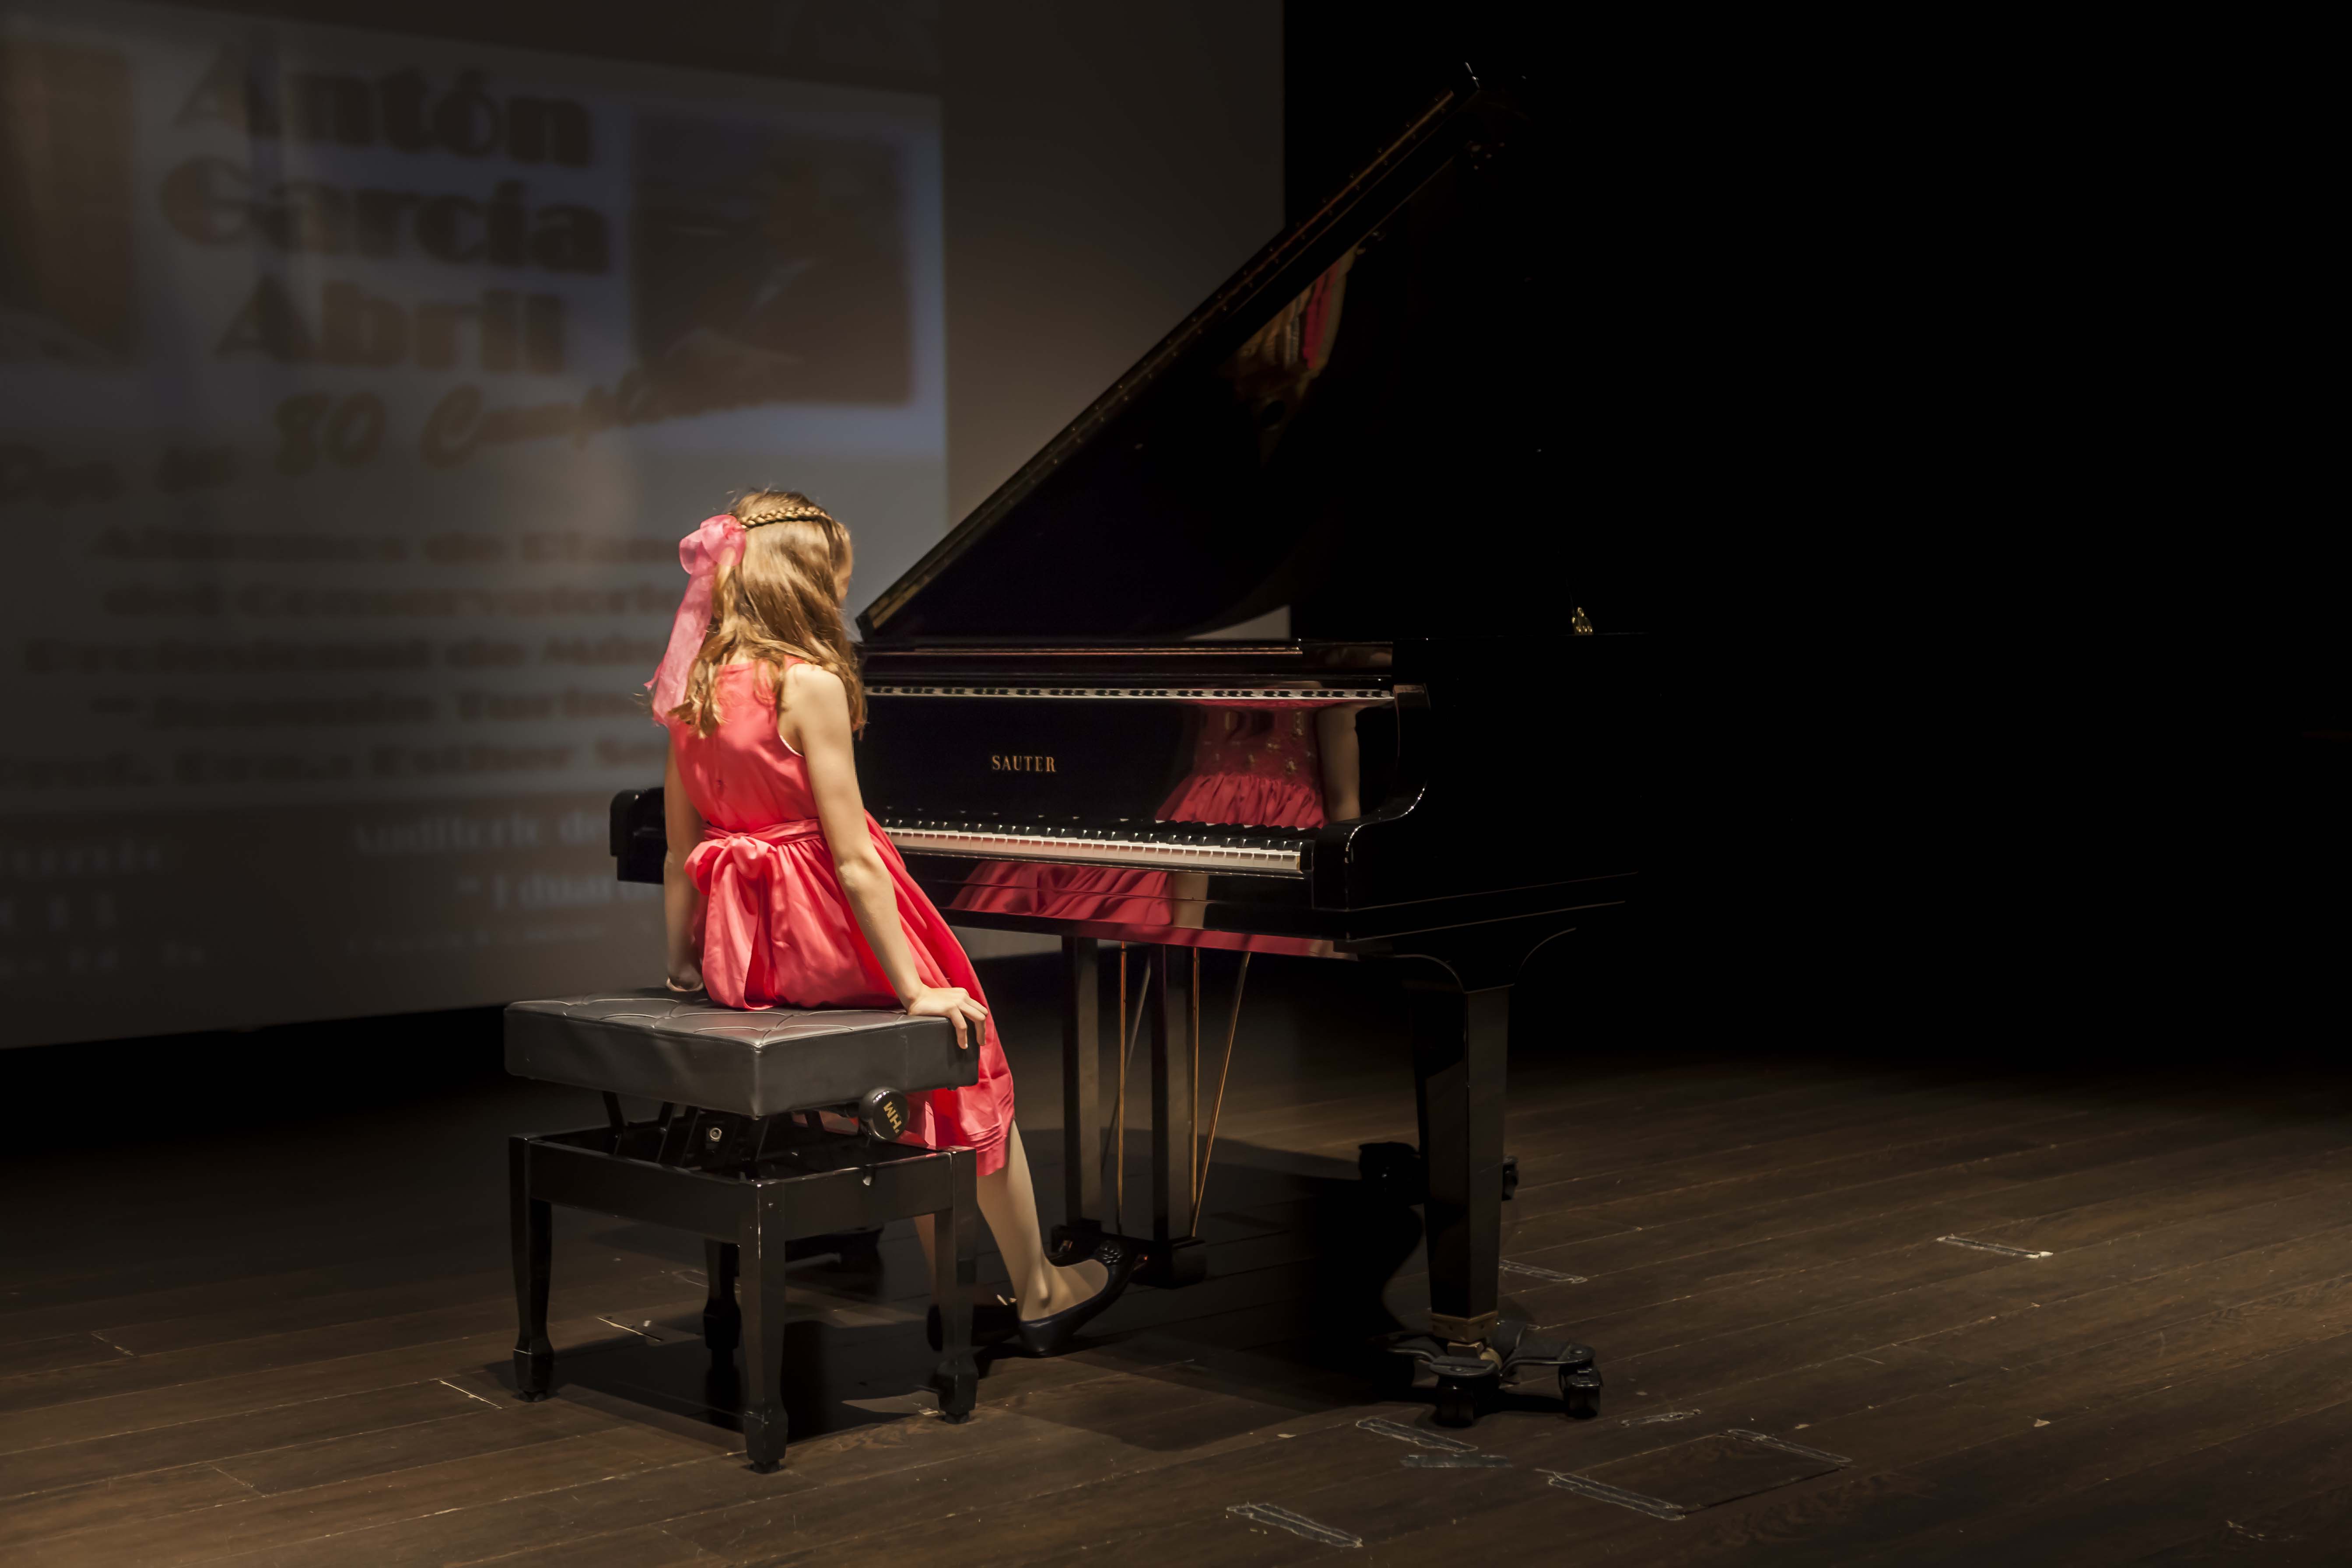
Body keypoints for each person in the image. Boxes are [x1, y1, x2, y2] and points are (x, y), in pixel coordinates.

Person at [647, 488, 1136, 1354]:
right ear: (804, 581)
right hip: (819, 934)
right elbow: (853, 860)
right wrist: (914, 988)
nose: (841, 590)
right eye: (834, 575)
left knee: (920, 1080)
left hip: (744, 952)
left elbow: (679, 851)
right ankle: (1037, 1290)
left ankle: (959, 1292)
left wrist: (689, 968)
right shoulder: (808, 683)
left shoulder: (692, 689)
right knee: (963, 1055)